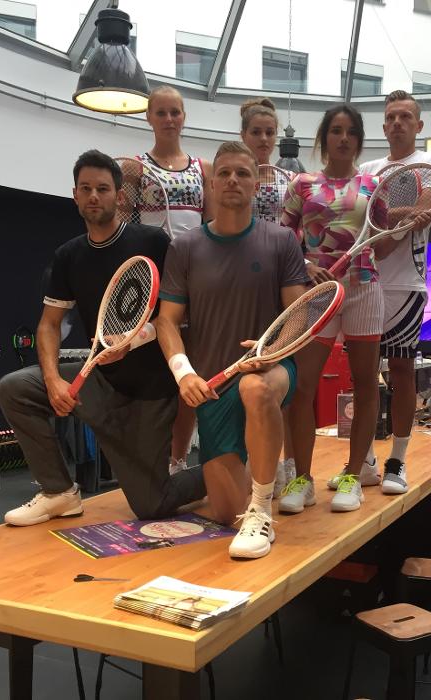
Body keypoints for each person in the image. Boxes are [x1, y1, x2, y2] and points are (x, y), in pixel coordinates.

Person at [0, 150, 205, 526]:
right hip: (101, 384)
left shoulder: (154, 243)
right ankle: (59, 492)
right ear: (75, 195)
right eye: (86, 188)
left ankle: (226, 468)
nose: (94, 196)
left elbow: (181, 315)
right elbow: (48, 325)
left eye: (103, 189)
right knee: (15, 388)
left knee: (152, 506)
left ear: (119, 196)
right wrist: (52, 380)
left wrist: (135, 338)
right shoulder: (68, 256)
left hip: (151, 394)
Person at [155, 141, 308, 559]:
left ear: (256, 183)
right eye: (224, 173)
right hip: (213, 385)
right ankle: (256, 470)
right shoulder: (185, 247)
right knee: (223, 513)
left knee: (256, 389)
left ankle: (261, 510)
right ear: (210, 182)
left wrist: (274, 350)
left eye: (242, 173)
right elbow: (166, 321)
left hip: (271, 370)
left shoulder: (280, 241)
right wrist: (184, 371)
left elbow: (297, 316)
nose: (233, 181)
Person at [279, 104, 384, 514]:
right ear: (324, 137)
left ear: (358, 140)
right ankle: (301, 478)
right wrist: (306, 266)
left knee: (365, 385)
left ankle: (353, 476)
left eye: (350, 131)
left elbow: (382, 235)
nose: (343, 138)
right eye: (336, 130)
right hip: (317, 292)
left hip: (363, 289)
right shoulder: (302, 184)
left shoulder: (374, 185)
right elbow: (285, 239)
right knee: (301, 388)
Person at [359, 90, 431, 495]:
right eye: (391, 117)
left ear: (418, 125)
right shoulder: (368, 167)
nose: (397, 123)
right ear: (383, 125)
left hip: (407, 285)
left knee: (401, 371)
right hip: (364, 281)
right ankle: (364, 458)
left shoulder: (430, 164)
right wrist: (404, 213)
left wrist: (380, 210)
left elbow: (420, 208)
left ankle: (398, 458)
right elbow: (360, 217)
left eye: (405, 117)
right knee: (362, 377)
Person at [139, 85, 215, 476]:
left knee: (190, 373)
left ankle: (178, 461)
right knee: (156, 379)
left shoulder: (203, 169)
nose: (169, 119)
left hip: (194, 284)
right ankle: (151, 461)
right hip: (152, 285)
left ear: (184, 117)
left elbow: (213, 226)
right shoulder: (136, 168)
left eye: (175, 112)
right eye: (162, 112)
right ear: (149, 117)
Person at [239, 96, 297, 496]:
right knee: (243, 379)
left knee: (280, 378)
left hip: (277, 285)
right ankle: (249, 463)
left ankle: (286, 465)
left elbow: (297, 233)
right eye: (256, 132)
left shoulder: (287, 180)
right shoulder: (232, 174)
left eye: (269, 132)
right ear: (243, 134)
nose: (263, 139)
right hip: (240, 285)